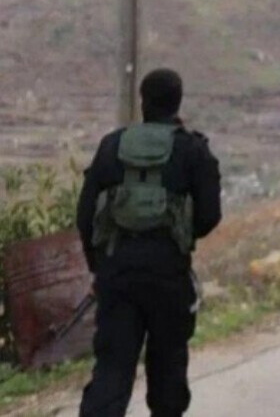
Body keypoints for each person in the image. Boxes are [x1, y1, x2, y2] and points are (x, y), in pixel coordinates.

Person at [77, 68, 222, 417]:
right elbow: (209, 215)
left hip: (118, 272)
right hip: (168, 275)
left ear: (142, 102)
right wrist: (179, 237)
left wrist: (99, 267)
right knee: (168, 368)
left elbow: (85, 215)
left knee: (112, 368)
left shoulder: (111, 146)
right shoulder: (193, 150)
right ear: (178, 102)